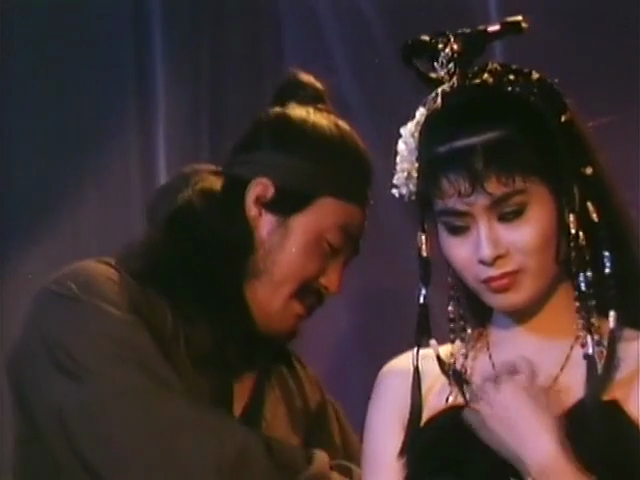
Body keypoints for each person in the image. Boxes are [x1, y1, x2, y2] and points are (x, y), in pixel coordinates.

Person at [7, 69, 371, 480]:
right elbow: (170, 464)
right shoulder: (82, 309)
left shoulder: (295, 390)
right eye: (329, 248)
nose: (334, 283)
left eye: (347, 262)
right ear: (260, 204)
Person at [361, 16, 640, 480]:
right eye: (457, 225)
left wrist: (544, 455)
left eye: (511, 214)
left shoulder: (634, 367)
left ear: (566, 200)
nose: (487, 250)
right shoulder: (410, 387)